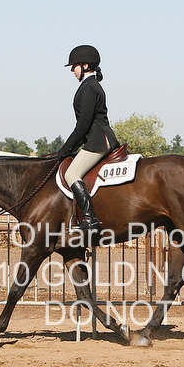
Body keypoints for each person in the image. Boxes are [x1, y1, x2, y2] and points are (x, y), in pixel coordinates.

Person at [57, 45, 120, 231]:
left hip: (98, 141)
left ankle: (89, 218)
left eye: (74, 66)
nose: (72, 70)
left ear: (85, 66)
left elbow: (83, 126)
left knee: (71, 174)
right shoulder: (90, 86)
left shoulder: (89, 88)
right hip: (96, 139)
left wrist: (65, 150)